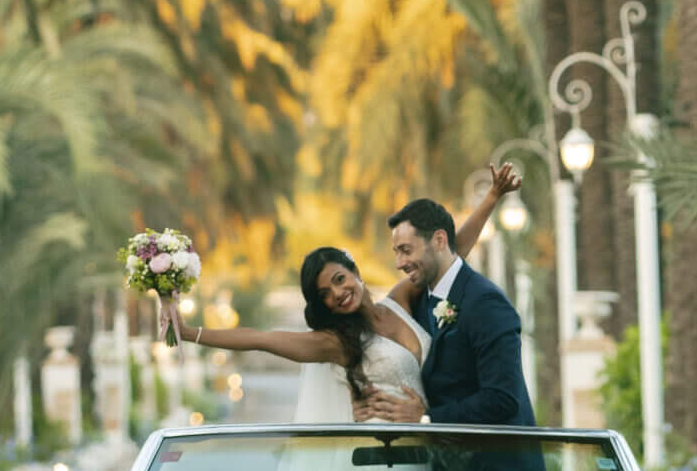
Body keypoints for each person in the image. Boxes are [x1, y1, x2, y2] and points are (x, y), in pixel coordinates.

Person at [156, 166, 518, 423]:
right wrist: (189, 333)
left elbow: (450, 251)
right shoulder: (338, 343)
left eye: (341, 279)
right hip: (382, 453)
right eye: (326, 294)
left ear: (356, 273)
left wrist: (491, 197)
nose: (338, 294)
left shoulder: (400, 301)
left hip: (431, 446)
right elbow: (261, 339)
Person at [363, 193, 536, 430]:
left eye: (406, 250)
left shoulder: (486, 302)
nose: (399, 263)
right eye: (397, 252)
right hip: (447, 462)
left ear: (439, 240)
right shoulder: (420, 302)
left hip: (497, 462)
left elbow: (503, 398)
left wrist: (427, 418)